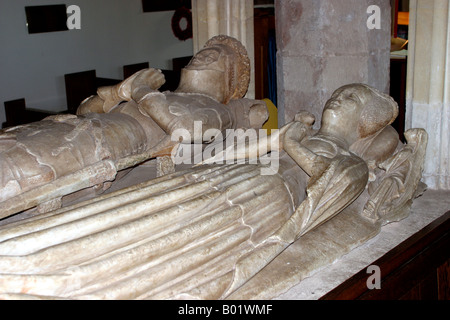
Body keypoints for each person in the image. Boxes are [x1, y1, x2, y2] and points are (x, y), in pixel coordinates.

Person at [0, 35, 269, 218]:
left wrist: (139, 88)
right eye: (202, 52)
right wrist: (119, 91)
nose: (202, 56)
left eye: (214, 56)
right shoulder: (164, 93)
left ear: (229, 77)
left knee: (19, 173)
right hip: (73, 127)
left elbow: (185, 129)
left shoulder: (215, 109)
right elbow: (84, 110)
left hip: (112, 141)